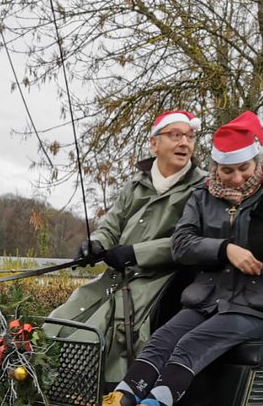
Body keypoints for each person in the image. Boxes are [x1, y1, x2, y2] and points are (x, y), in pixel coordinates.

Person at [102, 111, 263, 406]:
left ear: (256, 162)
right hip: (207, 298)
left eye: (243, 169)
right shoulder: (202, 194)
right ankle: (119, 402)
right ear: (215, 167)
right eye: (226, 170)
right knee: (161, 339)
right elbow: (182, 244)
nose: (234, 178)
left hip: (255, 305)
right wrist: (224, 249)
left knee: (190, 344)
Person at [48, 110, 208, 383]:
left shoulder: (202, 188)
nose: (184, 143)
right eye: (175, 135)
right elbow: (111, 226)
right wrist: (95, 244)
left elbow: (189, 242)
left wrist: (135, 253)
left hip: (160, 280)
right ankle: (43, 380)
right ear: (154, 143)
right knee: (65, 316)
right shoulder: (135, 185)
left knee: (102, 329)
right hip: (117, 275)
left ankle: (100, 392)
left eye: (190, 137)